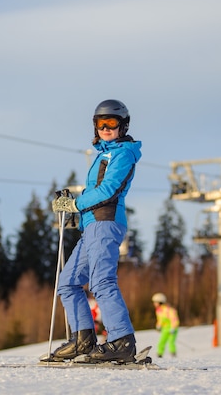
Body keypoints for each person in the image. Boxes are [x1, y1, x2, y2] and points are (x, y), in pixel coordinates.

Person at [48, 99, 142, 363]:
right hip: (91, 225)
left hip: (106, 222)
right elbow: (95, 192)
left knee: (101, 282)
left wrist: (76, 204)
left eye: (111, 123)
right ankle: (82, 339)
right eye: (101, 124)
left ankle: (122, 340)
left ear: (123, 126)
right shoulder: (103, 153)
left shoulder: (123, 153)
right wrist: (75, 212)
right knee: (67, 283)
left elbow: (109, 190)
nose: (106, 128)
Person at [152, 292, 179, 358]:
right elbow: (160, 320)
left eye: (155, 302)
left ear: (160, 302)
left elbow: (174, 319)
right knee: (161, 342)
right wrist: (158, 326)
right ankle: (159, 355)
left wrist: (173, 328)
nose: (154, 304)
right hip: (165, 329)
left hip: (172, 329)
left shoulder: (169, 310)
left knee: (171, 342)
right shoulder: (158, 310)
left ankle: (173, 355)